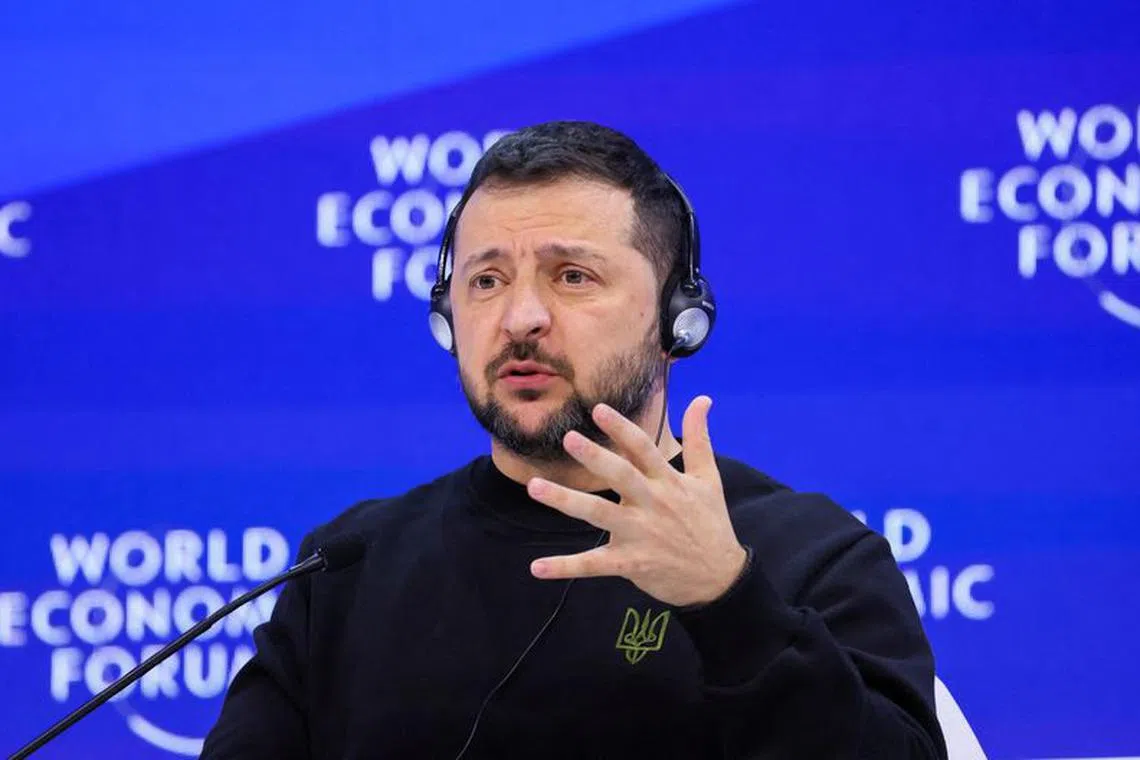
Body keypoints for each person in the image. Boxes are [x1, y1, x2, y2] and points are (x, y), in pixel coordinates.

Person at [200, 120, 948, 759]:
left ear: (677, 319)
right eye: (486, 281)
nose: (520, 317)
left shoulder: (810, 556)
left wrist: (727, 602)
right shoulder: (349, 567)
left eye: (572, 277)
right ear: (446, 319)